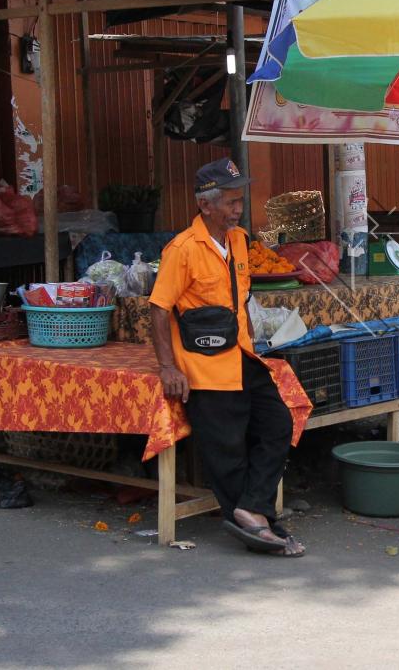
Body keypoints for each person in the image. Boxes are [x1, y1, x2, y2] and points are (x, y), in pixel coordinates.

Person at [148, 159, 304, 557]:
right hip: (204, 366)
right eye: (231, 202)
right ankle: (253, 521)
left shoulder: (237, 241)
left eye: (240, 201)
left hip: (242, 356)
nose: (238, 210)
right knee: (227, 449)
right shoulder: (182, 250)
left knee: (277, 423)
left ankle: (252, 509)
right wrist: (168, 367)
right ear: (205, 205)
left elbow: (242, 299)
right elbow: (159, 309)